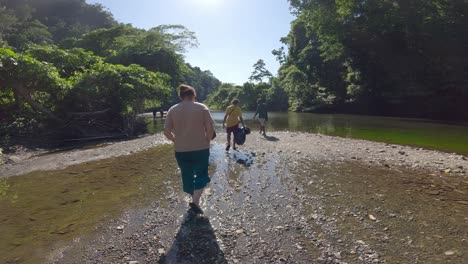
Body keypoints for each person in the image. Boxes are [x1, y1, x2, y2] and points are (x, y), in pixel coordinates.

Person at [164, 85, 215, 214]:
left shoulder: (172, 109)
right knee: (201, 174)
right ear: (193, 96)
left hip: (181, 150)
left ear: (181, 97)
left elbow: (166, 131)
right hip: (200, 148)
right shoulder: (202, 107)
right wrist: (207, 139)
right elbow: (210, 127)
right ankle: (196, 200)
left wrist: (174, 139)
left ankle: (192, 196)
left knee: (186, 174)